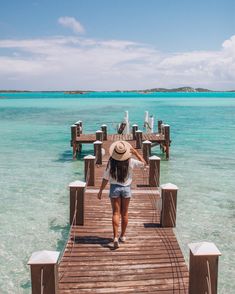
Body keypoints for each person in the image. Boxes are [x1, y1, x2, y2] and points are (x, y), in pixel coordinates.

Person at [97, 140, 146, 249]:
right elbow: (144, 164)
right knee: (125, 214)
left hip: (114, 189)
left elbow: (105, 178)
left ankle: (115, 238)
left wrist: (100, 191)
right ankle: (122, 236)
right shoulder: (131, 161)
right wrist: (136, 153)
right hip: (126, 189)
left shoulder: (111, 162)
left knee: (115, 213)